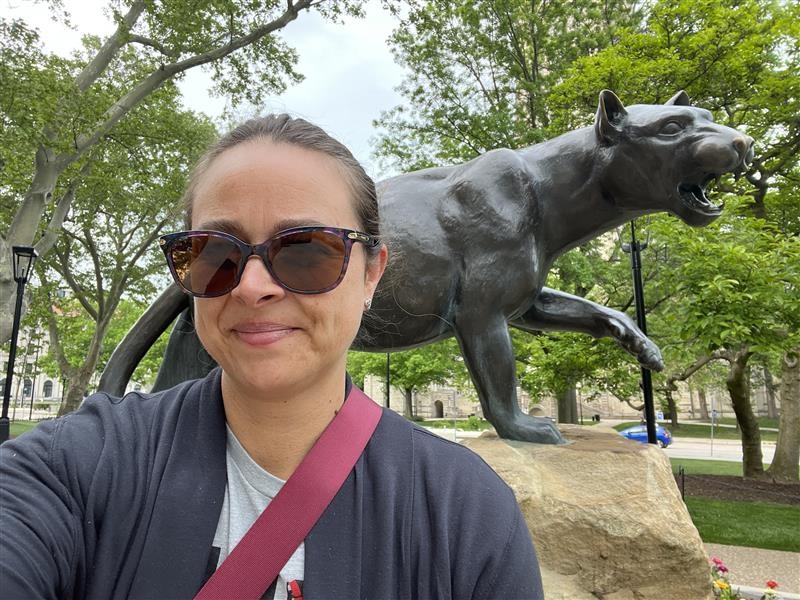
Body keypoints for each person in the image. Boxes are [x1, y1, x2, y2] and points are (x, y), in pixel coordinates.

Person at [0, 115, 544, 599]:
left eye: (307, 250)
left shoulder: (466, 517)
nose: (252, 287)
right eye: (215, 253)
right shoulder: (75, 468)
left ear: (372, 273)